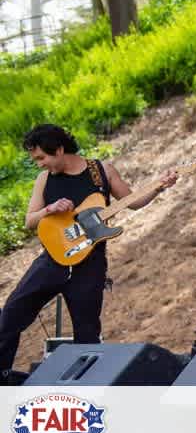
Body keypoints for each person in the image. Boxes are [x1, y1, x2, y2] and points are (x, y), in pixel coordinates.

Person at [0, 124, 178, 377]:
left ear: (59, 149)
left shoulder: (102, 172)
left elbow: (134, 202)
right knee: (9, 317)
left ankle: (86, 391)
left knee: (87, 334)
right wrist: (49, 210)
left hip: (89, 266)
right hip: (51, 262)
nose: (39, 164)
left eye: (42, 157)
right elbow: (30, 221)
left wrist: (160, 186)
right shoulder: (44, 180)